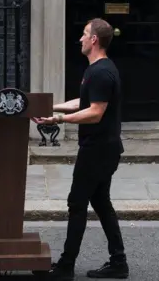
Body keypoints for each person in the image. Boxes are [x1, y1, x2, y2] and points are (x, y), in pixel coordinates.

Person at [32, 18, 129, 280]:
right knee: (100, 202)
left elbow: (95, 113)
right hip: (103, 148)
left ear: (94, 40)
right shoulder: (96, 69)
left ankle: (65, 267)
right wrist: (52, 109)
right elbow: (83, 102)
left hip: (98, 150)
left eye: (85, 34)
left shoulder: (100, 72)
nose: (81, 38)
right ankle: (118, 262)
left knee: (77, 203)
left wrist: (58, 120)